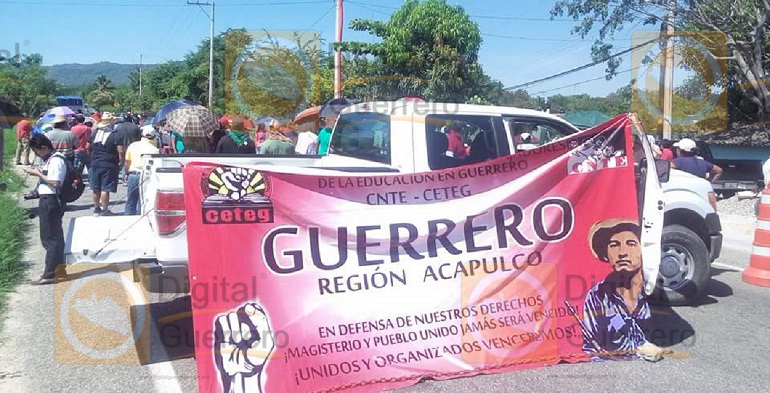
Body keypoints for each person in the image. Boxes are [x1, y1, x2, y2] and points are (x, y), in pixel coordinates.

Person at [582, 221, 656, 359]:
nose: (622, 253)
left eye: (631, 244)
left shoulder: (653, 289)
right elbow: (590, 347)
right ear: (606, 253)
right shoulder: (597, 296)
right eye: (614, 245)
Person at [23, 134, 68, 285]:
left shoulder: (56, 160)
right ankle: (58, 270)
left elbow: (55, 182)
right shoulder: (50, 159)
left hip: (51, 200)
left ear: (44, 147)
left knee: (50, 238)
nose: (36, 154)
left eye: (37, 151)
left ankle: (50, 274)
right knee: (54, 236)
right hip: (48, 199)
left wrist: (37, 173)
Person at [87, 113, 123, 216]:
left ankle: (97, 208)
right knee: (105, 188)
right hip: (109, 164)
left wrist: (91, 157)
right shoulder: (115, 135)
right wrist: (121, 162)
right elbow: (120, 151)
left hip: (95, 163)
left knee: (96, 188)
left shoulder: (95, 133)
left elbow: (87, 146)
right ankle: (105, 209)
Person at [124, 126, 159, 215]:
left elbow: (127, 161)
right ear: (154, 137)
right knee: (143, 201)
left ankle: (127, 218)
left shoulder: (133, 145)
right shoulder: (154, 150)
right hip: (146, 176)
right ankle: (140, 219)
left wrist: (127, 173)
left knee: (131, 201)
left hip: (133, 175)